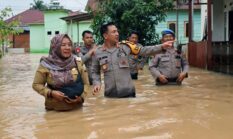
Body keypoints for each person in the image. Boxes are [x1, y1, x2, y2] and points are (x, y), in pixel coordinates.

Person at [91, 22, 174, 98]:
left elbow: (143, 50)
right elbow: (95, 71)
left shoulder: (125, 47)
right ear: (105, 36)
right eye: (113, 32)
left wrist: (161, 46)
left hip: (128, 93)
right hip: (110, 95)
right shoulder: (97, 52)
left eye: (117, 31)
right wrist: (97, 83)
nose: (117, 34)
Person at [32, 34, 89, 111]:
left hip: (76, 110)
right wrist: (51, 93)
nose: (67, 48)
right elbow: (36, 84)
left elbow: (86, 83)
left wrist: (81, 98)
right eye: (63, 45)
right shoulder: (45, 65)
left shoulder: (77, 62)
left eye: (69, 45)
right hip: (54, 111)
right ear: (55, 47)